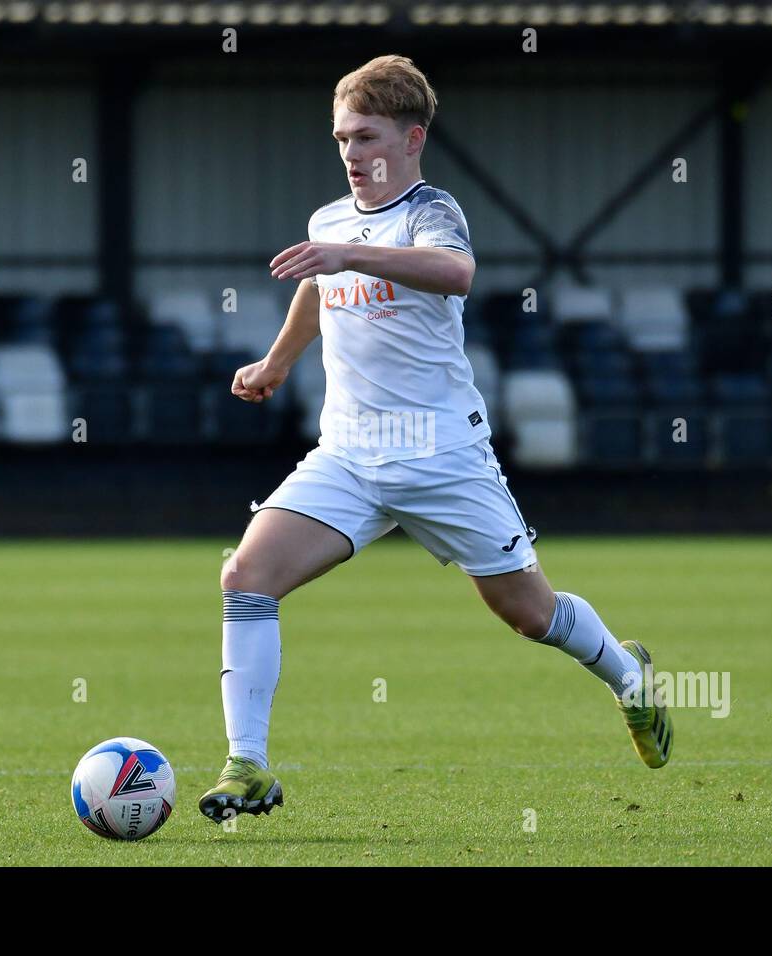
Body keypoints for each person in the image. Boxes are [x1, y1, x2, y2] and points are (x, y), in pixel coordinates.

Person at [199, 55, 672, 823]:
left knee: (531, 616)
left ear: (412, 139)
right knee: (246, 577)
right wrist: (276, 362)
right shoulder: (330, 222)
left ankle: (630, 678)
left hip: (442, 453)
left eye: (366, 136)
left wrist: (347, 253)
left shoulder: (431, 211)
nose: (352, 153)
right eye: (341, 138)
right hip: (348, 454)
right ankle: (247, 765)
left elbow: (454, 273)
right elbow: (318, 293)